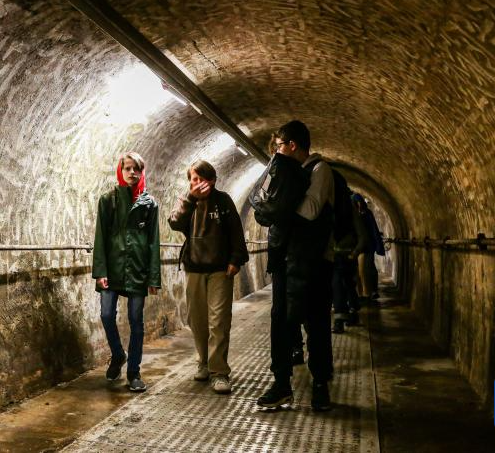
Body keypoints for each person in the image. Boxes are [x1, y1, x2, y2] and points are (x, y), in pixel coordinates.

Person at [255, 120, 336, 412]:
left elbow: (311, 210)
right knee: (280, 321)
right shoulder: (284, 173)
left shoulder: (320, 170)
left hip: (314, 262)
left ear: (292, 145)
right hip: (285, 260)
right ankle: (281, 384)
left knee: (316, 321)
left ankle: (320, 384)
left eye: (279, 146)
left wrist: (282, 206)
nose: (276, 151)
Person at [168, 160, 249, 394]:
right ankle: (203, 361)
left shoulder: (223, 201)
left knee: (219, 321)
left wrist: (236, 260)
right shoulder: (187, 201)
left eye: (201, 179)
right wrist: (190, 198)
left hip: (220, 270)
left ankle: (219, 372)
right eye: (193, 179)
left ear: (212, 180)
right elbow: (175, 223)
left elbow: (236, 231)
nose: (197, 183)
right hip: (194, 268)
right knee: (197, 321)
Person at [92, 151, 161, 392]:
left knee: (136, 322)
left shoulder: (149, 204)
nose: (132, 173)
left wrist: (153, 277)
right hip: (112, 269)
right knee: (106, 315)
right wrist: (100, 271)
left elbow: (153, 241)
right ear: (120, 171)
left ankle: (134, 372)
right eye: (128, 168)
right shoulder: (108, 200)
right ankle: (118, 354)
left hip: (138, 270)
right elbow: (100, 237)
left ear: (142, 172)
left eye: (136, 169)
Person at [331, 192, 369, 333]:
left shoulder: (350, 213)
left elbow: (362, 236)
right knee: (342, 285)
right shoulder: (332, 211)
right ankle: (349, 313)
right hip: (337, 257)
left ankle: (344, 317)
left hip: (346, 256)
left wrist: (354, 253)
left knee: (343, 285)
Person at [354, 194, 385, 300]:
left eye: (360, 202)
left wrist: (377, 245)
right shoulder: (355, 214)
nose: (359, 205)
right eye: (357, 203)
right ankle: (362, 292)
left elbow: (373, 229)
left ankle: (372, 290)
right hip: (358, 245)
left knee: (369, 267)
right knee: (359, 270)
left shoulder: (367, 213)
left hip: (368, 245)